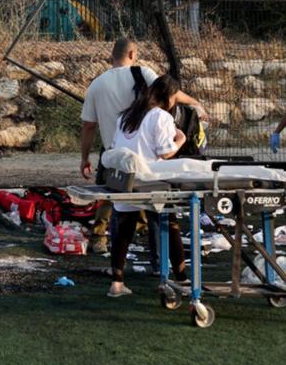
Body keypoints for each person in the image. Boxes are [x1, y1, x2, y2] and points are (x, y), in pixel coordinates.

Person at [80, 38, 205, 254]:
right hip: (144, 154)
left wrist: (84, 158)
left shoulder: (97, 84)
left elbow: (89, 125)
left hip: (113, 152)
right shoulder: (143, 74)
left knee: (111, 196)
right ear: (131, 54)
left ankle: (101, 239)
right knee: (155, 205)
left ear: (112, 57)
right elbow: (168, 91)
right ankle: (159, 256)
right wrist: (195, 103)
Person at [108, 75, 189, 297]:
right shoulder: (161, 116)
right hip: (151, 180)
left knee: (124, 230)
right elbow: (164, 151)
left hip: (126, 179)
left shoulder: (126, 115)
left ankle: (116, 283)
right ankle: (183, 278)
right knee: (169, 225)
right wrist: (180, 140)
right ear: (170, 98)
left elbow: (116, 146)